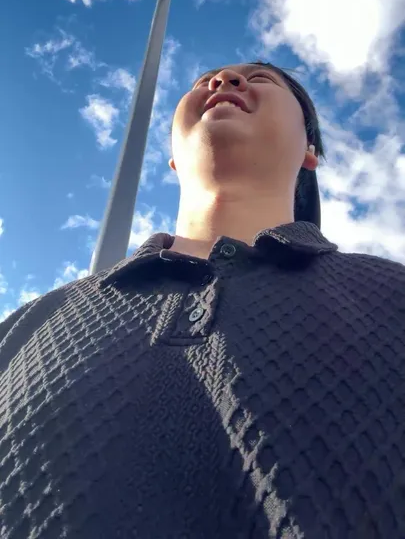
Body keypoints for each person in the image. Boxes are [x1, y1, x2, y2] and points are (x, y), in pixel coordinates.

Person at [0, 61, 404, 539]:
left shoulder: (392, 293)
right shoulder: (27, 323)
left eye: (260, 80)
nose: (224, 82)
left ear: (309, 150)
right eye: (203, 82)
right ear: (173, 156)